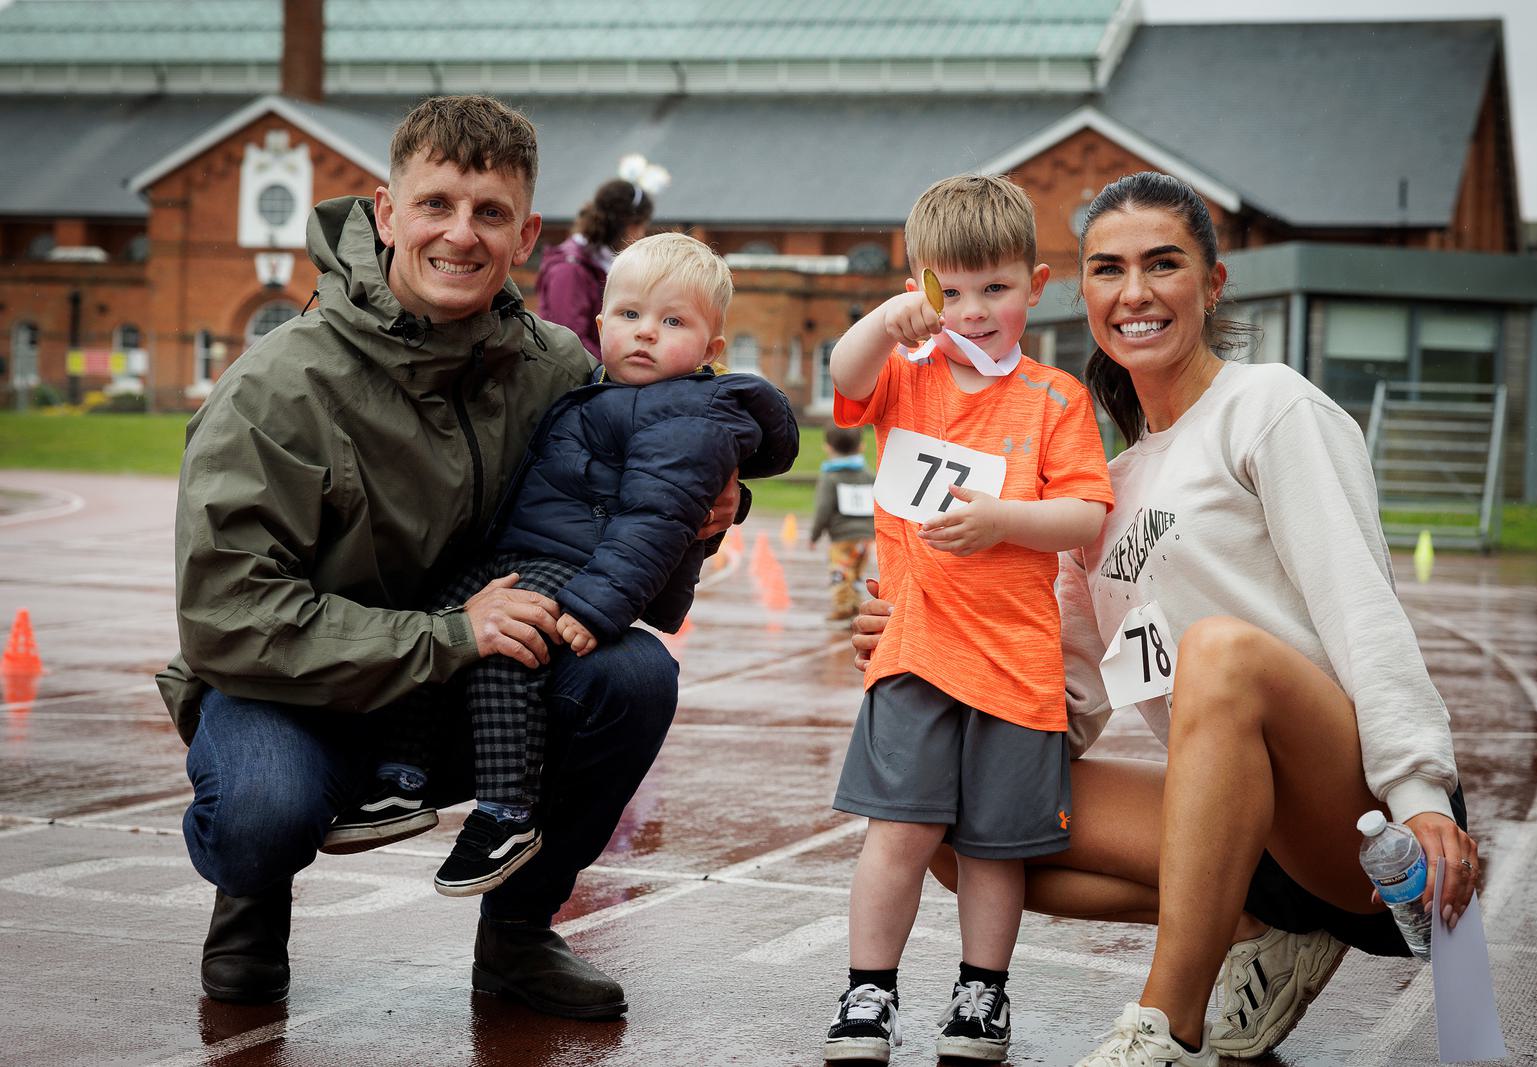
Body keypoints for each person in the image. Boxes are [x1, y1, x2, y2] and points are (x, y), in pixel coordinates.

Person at [853, 171, 1481, 1067]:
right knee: (956, 816)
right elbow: (1061, 681)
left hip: (1358, 820)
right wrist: (926, 650)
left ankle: (1164, 1023)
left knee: (1217, 653)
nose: (1135, 292)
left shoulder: (1269, 406)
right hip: (1235, 830)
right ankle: (1266, 928)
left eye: (1164, 264)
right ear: (1080, 292)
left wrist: (1419, 791)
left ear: (1213, 284)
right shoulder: (1099, 490)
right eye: (1109, 269)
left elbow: (1362, 607)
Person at [156, 94, 742, 1020]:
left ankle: (516, 937)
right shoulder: (276, 385)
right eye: (435, 204)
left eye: (490, 213)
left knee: (630, 676)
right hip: (297, 690)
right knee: (264, 809)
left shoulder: (559, 369)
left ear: (528, 236)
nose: (460, 235)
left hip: (471, 688)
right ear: (387, 213)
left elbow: (642, 494)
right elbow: (230, 617)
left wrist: (711, 508)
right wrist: (447, 634)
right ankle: (251, 902)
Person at [323, 232, 798, 897]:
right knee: (444, 619)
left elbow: (653, 524)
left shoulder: (689, 414)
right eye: (630, 316)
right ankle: (402, 775)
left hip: (578, 568)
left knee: (502, 645)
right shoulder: (598, 384)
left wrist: (595, 606)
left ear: (711, 351)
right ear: (600, 325)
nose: (645, 335)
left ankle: (507, 812)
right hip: (530, 553)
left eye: (673, 322)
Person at [822, 174, 1115, 1064]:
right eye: (953, 290)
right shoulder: (905, 376)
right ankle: (869, 991)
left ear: (1037, 282)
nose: (977, 310)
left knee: (995, 849)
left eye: (997, 288)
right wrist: (884, 321)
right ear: (922, 286)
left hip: (1020, 670)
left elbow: (1086, 515)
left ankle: (982, 995)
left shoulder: (1056, 397)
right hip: (914, 651)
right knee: (900, 831)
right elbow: (842, 376)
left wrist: (1003, 521)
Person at [536, 178, 653, 357]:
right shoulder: (569, 269)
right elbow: (568, 341)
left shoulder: (601, 263)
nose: (641, 235)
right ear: (627, 225)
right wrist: (614, 367)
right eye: (640, 226)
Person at [808, 426, 875, 623]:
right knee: (854, 572)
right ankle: (855, 605)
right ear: (861, 446)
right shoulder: (867, 474)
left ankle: (843, 607)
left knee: (839, 571)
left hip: (842, 537)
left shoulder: (830, 476)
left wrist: (815, 535)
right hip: (866, 537)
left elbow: (823, 508)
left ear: (828, 447)